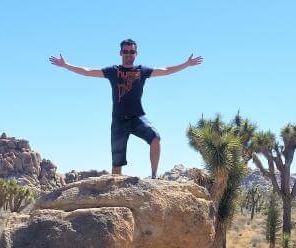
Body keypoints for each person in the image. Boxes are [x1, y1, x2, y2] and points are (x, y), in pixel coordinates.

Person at [49, 38, 202, 178]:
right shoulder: (113, 71)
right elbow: (88, 72)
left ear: (136, 53)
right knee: (117, 165)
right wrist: (66, 65)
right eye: (126, 51)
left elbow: (166, 70)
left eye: (132, 51)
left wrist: (186, 64)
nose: (129, 54)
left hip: (137, 117)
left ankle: (154, 176)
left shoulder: (142, 71)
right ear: (120, 53)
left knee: (155, 138)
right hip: (118, 122)